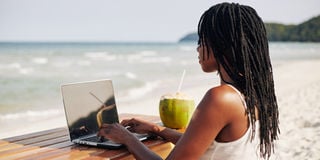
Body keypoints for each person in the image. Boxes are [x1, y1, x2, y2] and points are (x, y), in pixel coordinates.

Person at [98, 2, 280, 160]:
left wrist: (127, 138)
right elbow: (204, 143)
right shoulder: (255, 94)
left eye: (202, 40)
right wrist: (157, 130)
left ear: (221, 44)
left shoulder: (220, 98)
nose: (198, 48)